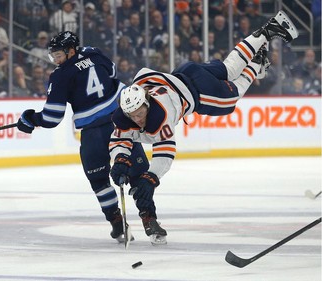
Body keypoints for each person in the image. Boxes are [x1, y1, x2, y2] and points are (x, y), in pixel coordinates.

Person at [108, 10, 299, 244]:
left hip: (197, 92)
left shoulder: (162, 115)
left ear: (147, 104)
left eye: (140, 114)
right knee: (228, 69)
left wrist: (151, 178)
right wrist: (119, 159)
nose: (137, 119)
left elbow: (165, 153)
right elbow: (118, 140)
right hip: (186, 71)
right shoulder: (129, 112)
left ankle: (256, 64)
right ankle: (267, 30)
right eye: (132, 115)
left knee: (231, 98)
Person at [16, 31, 149, 243]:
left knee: (98, 179)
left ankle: (117, 222)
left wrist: (31, 119)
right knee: (137, 173)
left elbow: (52, 117)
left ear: (71, 50)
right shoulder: (94, 54)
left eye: (58, 55)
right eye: (53, 55)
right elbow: (114, 74)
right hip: (121, 123)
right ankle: (150, 219)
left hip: (94, 132)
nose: (55, 60)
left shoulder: (60, 76)